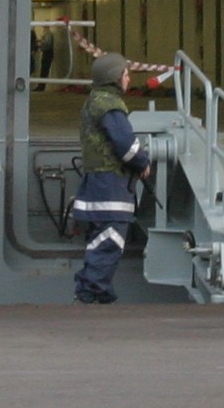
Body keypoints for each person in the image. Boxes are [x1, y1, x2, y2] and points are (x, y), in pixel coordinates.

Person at [73, 53, 153, 304]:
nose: (129, 79)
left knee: (99, 242)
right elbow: (124, 142)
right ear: (115, 79)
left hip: (96, 184)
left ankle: (101, 294)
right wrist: (142, 161)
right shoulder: (110, 105)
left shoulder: (93, 101)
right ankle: (90, 294)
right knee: (110, 241)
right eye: (126, 74)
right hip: (111, 187)